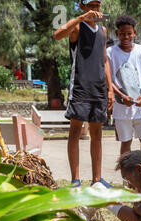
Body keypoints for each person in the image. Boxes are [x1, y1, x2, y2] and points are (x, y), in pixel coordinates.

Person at [54, 0, 114, 188]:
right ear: (82, 6)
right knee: (75, 131)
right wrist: (81, 18)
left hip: (98, 89)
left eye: (97, 6)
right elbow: (57, 35)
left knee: (97, 133)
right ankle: (75, 179)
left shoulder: (103, 31)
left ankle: (97, 179)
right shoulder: (77, 27)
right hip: (80, 86)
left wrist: (110, 88)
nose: (94, 9)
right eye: (90, 6)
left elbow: (105, 60)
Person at [107, 15, 141, 154]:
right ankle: (126, 175)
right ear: (117, 34)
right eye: (122, 34)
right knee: (126, 142)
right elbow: (108, 79)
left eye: (129, 33)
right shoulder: (110, 52)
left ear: (134, 33)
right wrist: (122, 96)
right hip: (122, 108)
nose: (126, 36)